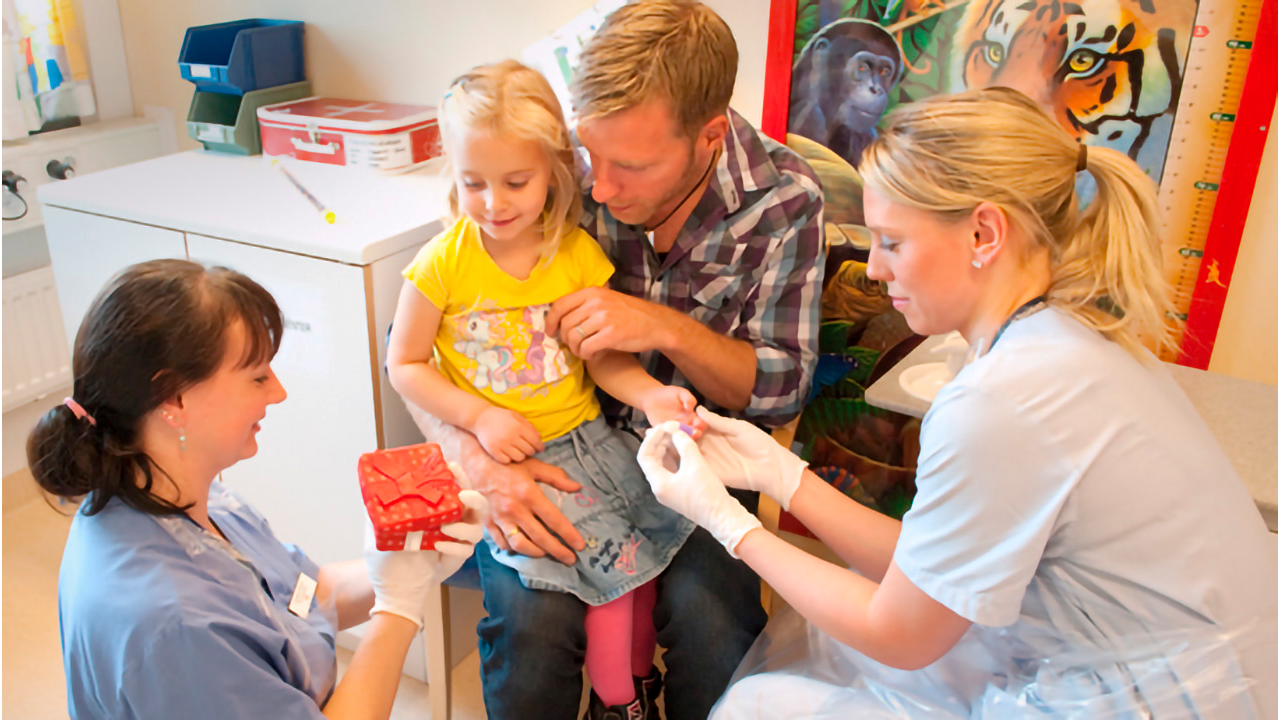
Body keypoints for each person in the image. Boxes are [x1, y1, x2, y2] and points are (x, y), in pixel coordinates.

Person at [637, 87, 1278, 718]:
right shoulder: (1066, 334)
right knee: (812, 651)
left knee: (759, 705)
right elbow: (930, 566)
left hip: (1162, 698)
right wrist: (781, 474)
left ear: (983, 233)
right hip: (1175, 663)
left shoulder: (1001, 402)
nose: (877, 270)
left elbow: (901, 633)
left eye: (892, 242)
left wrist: (727, 522)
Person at [399, 3, 826, 718]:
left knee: (714, 628)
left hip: (696, 461)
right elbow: (425, 347)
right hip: (548, 451)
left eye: (629, 166)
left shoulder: (783, 205)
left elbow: (779, 389)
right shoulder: (544, 167)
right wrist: (477, 457)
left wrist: (663, 329)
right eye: (589, 157)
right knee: (532, 629)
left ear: (709, 136)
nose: (595, 190)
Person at [28, 259, 488, 720]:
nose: (279, 392)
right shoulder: (177, 624)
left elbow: (299, 601)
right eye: (258, 376)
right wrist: (398, 610)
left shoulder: (181, 497)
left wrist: (411, 560)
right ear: (175, 398)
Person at [385, 59, 706, 719]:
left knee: (644, 573)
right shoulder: (443, 265)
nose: (494, 203)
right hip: (509, 463)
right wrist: (479, 417)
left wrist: (649, 395)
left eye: (515, 181)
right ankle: (623, 705)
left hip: (593, 443)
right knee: (610, 586)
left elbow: (602, 361)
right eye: (473, 183)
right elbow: (405, 365)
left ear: (554, 171)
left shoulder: (574, 255)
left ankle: (629, 693)